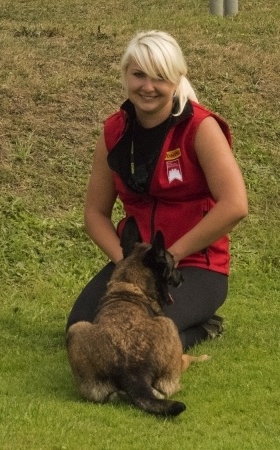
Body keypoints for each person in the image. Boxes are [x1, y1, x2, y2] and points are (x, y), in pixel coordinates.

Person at [66, 30, 248, 350]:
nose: (147, 87)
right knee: (80, 329)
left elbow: (234, 205)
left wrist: (171, 256)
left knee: (145, 338)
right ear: (125, 76)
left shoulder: (200, 128)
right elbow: (95, 214)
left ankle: (203, 327)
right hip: (136, 263)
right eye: (138, 75)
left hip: (194, 266)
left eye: (159, 77)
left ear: (176, 80)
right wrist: (126, 262)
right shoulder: (113, 131)